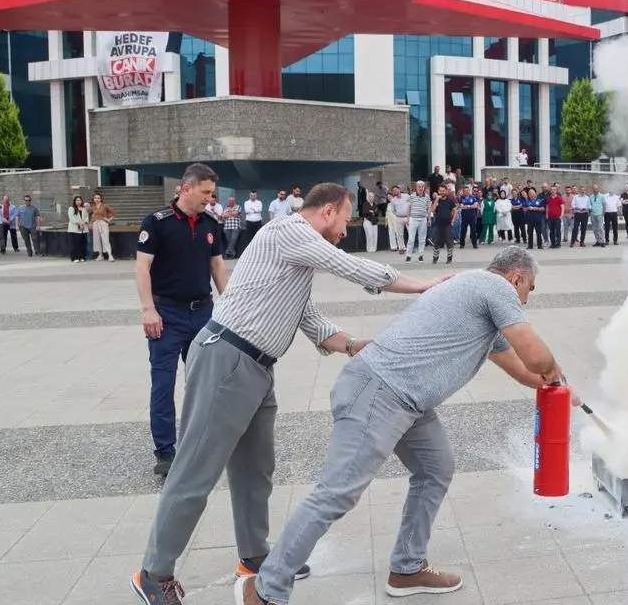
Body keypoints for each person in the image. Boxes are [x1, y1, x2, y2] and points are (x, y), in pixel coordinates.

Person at [131, 182, 449, 605]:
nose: (345, 231)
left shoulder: (297, 255)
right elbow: (351, 267)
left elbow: (307, 317)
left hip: (256, 368)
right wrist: (425, 285)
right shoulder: (289, 231)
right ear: (328, 210)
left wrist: (352, 345)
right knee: (194, 472)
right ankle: (154, 573)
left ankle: (255, 557)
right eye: (345, 219)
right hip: (227, 358)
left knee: (255, 471)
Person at [236, 247, 566, 605]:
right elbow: (537, 359)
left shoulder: (480, 299)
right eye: (529, 288)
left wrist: (561, 388)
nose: (526, 299)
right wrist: (552, 372)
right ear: (516, 277)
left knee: (435, 468)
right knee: (336, 492)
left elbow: (522, 369)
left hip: (407, 399)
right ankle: (264, 590)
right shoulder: (494, 287)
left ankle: (407, 568)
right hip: (380, 390)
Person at [134, 163, 229, 477]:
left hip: (203, 314)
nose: (210, 199)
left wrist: (230, 307)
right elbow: (142, 268)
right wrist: (148, 309)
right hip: (167, 316)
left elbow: (217, 266)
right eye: (205, 192)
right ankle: (165, 451)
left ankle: (199, 442)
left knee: (204, 382)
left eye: (212, 193)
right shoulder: (157, 222)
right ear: (186, 188)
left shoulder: (210, 223)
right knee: (163, 384)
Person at [404, 181, 429, 262]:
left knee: (422, 239)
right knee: (411, 239)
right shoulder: (411, 196)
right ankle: (408, 255)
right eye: (419, 186)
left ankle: (421, 255)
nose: (421, 188)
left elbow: (428, 208)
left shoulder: (427, 197)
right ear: (416, 187)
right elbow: (408, 208)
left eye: (422, 187)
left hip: (423, 219)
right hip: (413, 219)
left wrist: (429, 218)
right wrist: (407, 218)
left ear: (424, 187)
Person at [92, 192, 117, 261]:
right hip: (95, 224)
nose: (97, 199)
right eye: (95, 198)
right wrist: (93, 219)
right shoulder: (93, 206)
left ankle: (110, 255)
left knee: (105, 239)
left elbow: (114, 212)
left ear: (101, 199)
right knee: (97, 240)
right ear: (94, 199)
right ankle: (100, 255)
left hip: (103, 223)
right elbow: (92, 214)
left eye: (98, 198)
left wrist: (108, 219)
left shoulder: (104, 206)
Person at [67, 195, 89, 262]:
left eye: (80, 200)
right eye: (77, 200)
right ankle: (75, 258)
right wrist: (79, 223)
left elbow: (87, 217)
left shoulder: (84, 209)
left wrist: (84, 222)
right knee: (75, 244)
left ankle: (82, 257)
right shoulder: (71, 208)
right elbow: (71, 218)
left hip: (83, 229)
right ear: (74, 201)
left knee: (82, 244)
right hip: (74, 229)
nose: (78, 201)